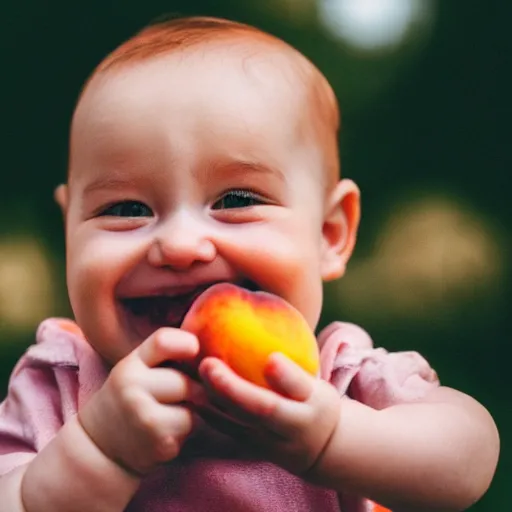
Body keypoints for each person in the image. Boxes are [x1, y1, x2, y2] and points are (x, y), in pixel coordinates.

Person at [0, 16, 499, 512]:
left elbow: (467, 457)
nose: (180, 244)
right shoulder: (59, 388)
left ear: (329, 233)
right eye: (126, 209)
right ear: (70, 233)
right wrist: (97, 451)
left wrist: (333, 437)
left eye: (236, 199)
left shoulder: (337, 380)